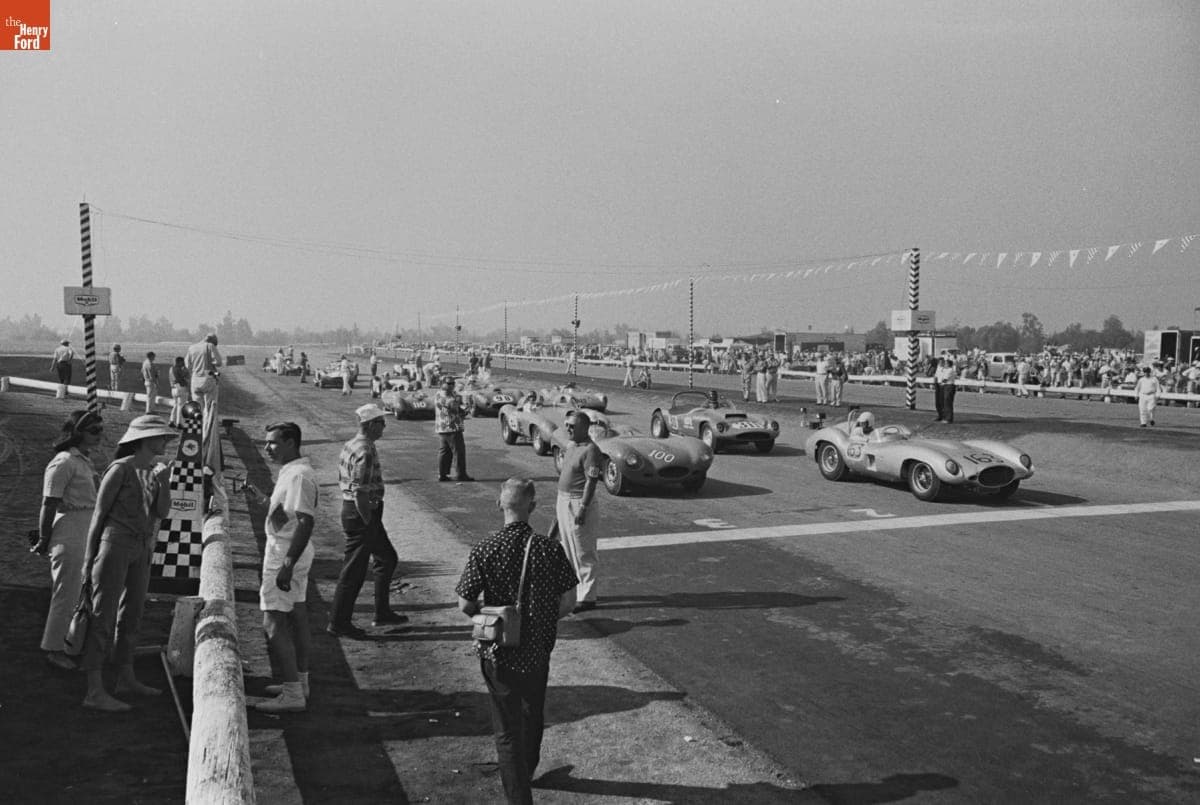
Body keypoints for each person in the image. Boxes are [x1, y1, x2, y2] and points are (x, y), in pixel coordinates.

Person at [455, 478, 578, 804]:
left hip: (499, 651)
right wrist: (541, 621)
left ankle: (518, 795)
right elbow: (569, 600)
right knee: (532, 712)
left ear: (500, 506)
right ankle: (528, 769)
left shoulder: (484, 548)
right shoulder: (550, 549)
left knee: (506, 731)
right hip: (537, 649)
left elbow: (465, 604)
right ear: (532, 508)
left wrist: (493, 612)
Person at [81, 415, 174, 711]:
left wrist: (164, 483)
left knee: (132, 614)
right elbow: (99, 516)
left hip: (142, 545)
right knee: (102, 615)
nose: (165, 442)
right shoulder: (120, 469)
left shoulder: (154, 471)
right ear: (145, 440)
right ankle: (94, 690)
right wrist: (88, 559)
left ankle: (125, 677)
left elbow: (161, 512)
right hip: (115, 544)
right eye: (161, 437)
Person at [249, 421, 317, 713]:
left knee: (273, 620)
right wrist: (264, 501)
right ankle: (300, 682)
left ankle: (292, 693)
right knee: (297, 615)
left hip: (286, 553)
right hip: (287, 548)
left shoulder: (300, 475)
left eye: (273, 442)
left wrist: (287, 564)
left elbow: (305, 521)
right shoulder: (290, 471)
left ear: (291, 442)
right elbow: (288, 515)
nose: (267, 448)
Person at [33, 410, 104, 670]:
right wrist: (43, 539)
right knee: (66, 593)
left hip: (86, 527)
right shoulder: (63, 462)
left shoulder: (84, 461)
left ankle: (70, 641)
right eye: (94, 430)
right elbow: (49, 503)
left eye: (100, 430)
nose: (99, 435)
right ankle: (52, 648)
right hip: (69, 530)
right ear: (77, 433)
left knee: (79, 592)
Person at [328, 404, 405, 638]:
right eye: (381, 422)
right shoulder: (365, 450)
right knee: (354, 570)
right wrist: (369, 520)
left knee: (386, 558)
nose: (384, 427)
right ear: (371, 424)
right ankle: (339, 622)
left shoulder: (352, 444)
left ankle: (382, 612)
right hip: (361, 512)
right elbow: (360, 491)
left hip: (356, 510)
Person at [556, 410, 603, 613]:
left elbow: (591, 481)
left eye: (572, 426)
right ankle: (574, 592)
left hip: (578, 502)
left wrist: (583, 508)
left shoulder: (591, 450)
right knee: (567, 550)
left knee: (583, 550)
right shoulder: (571, 446)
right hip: (564, 500)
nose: (568, 429)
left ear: (585, 428)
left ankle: (587, 597)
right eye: (567, 425)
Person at [435, 375, 473, 482]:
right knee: (458, 451)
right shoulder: (445, 397)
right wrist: (467, 406)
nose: (452, 385)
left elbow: (459, 407)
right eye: (449, 383)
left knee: (445, 452)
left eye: (453, 383)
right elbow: (455, 407)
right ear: (442, 384)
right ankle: (461, 474)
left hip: (443, 428)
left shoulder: (440, 394)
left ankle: (442, 474)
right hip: (451, 427)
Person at [185, 333, 223, 427]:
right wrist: (212, 362)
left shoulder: (192, 347)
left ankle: (197, 431)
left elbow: (187, 365)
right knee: (210, 408)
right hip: (208, 378)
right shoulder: (210, 346)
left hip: (195, 379)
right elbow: (219, 362)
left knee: (197, 408)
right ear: (212, 341)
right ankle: (207, 431)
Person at [933, 356, 958, 423]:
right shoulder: (944, 369)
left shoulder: (950, 370)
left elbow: (945, 379)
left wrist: (940, 384)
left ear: (948, 364)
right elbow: (936, 376)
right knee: (942, 402)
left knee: (947, 402)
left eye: (945, 363)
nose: (944, 364)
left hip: (948, 386)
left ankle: (949, 418)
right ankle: (943, 417)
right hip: (944, 386)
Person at [169, 357, 189, 427]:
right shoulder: (179, 369)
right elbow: (184, 377)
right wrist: (186, 370)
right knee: (181, 406)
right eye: (182, 362)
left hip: (173, 388)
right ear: (179, 362)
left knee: (175, 405)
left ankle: (172, 420)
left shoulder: (171, 369)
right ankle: (179, 422)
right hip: (180, 387)